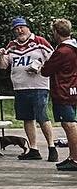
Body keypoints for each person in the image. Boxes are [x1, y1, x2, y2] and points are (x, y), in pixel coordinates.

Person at [0, 17, 57, 163]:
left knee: (42, 117)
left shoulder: (40, 42)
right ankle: (33, 149)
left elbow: (54, 60)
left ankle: (51, 147)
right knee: (27, 118)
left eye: (22, 27)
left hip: (38, 86)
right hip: (20, 87)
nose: (19, 31)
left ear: (28, 28)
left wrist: (40, 68)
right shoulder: (12, 45)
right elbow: (3, 65)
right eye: (16, 29)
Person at [42, 18, 77, 171]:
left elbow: (46, 70)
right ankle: (72, 156)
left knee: (69, 124)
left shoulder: (62, 51)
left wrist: (44, 64)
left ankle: (75, 158)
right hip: (73, 89)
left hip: (63, 91)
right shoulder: (74, 47)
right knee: (70, 123)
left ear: (56, 32)